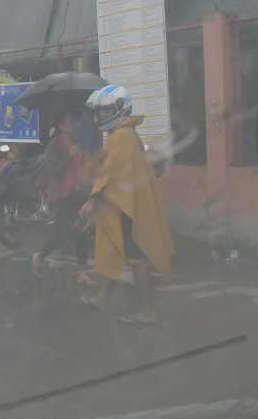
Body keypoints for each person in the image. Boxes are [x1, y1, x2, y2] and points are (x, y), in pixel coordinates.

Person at [78, 85, 174, 324]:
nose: (100, 116)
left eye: (105, 110)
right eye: (99, 112)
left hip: (128, 207)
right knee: (114, 249)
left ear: (121, 109)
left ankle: (147, 312)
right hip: (124, 203)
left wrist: (92, 200)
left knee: (136, 259)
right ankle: (101, 299)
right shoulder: (123, 133)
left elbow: (109, 172)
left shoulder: (121, 135)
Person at [31, 109, 97, 284]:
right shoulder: (54, 144)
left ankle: (82, 273)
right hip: (63, 195)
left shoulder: (77, 141)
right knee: (61, 235)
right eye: (68, 122)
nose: (72, 125)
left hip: (79, 193)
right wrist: (69, 156)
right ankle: (39, 256)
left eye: (73, 121)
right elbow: (53, 170)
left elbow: (82, 166)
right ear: (60, 125)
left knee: (82, 232)